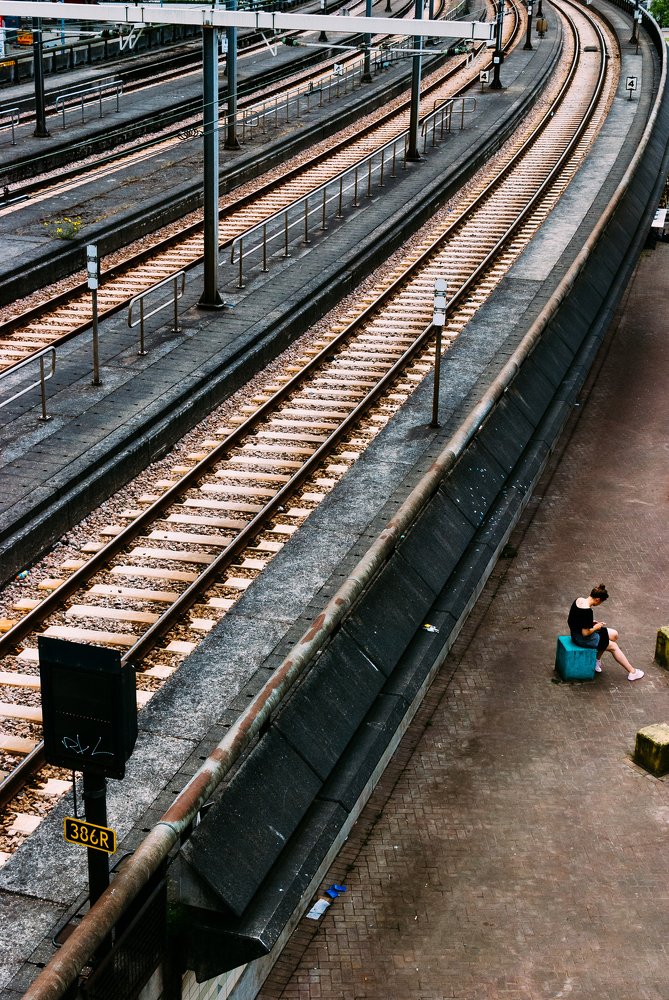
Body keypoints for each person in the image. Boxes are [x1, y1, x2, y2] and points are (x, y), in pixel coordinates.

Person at [567, 583, 644, 681]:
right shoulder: (587, 611)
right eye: (600, 602)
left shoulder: (579, 600)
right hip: (582, 639)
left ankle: (596, 660)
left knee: (614, 635)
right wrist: (596, 627)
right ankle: (632, 672)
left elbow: (575, 619)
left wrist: (590, 623)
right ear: (597, 599)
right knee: (614, 646)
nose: (599, 604)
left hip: (576, 632)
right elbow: (585, 633)